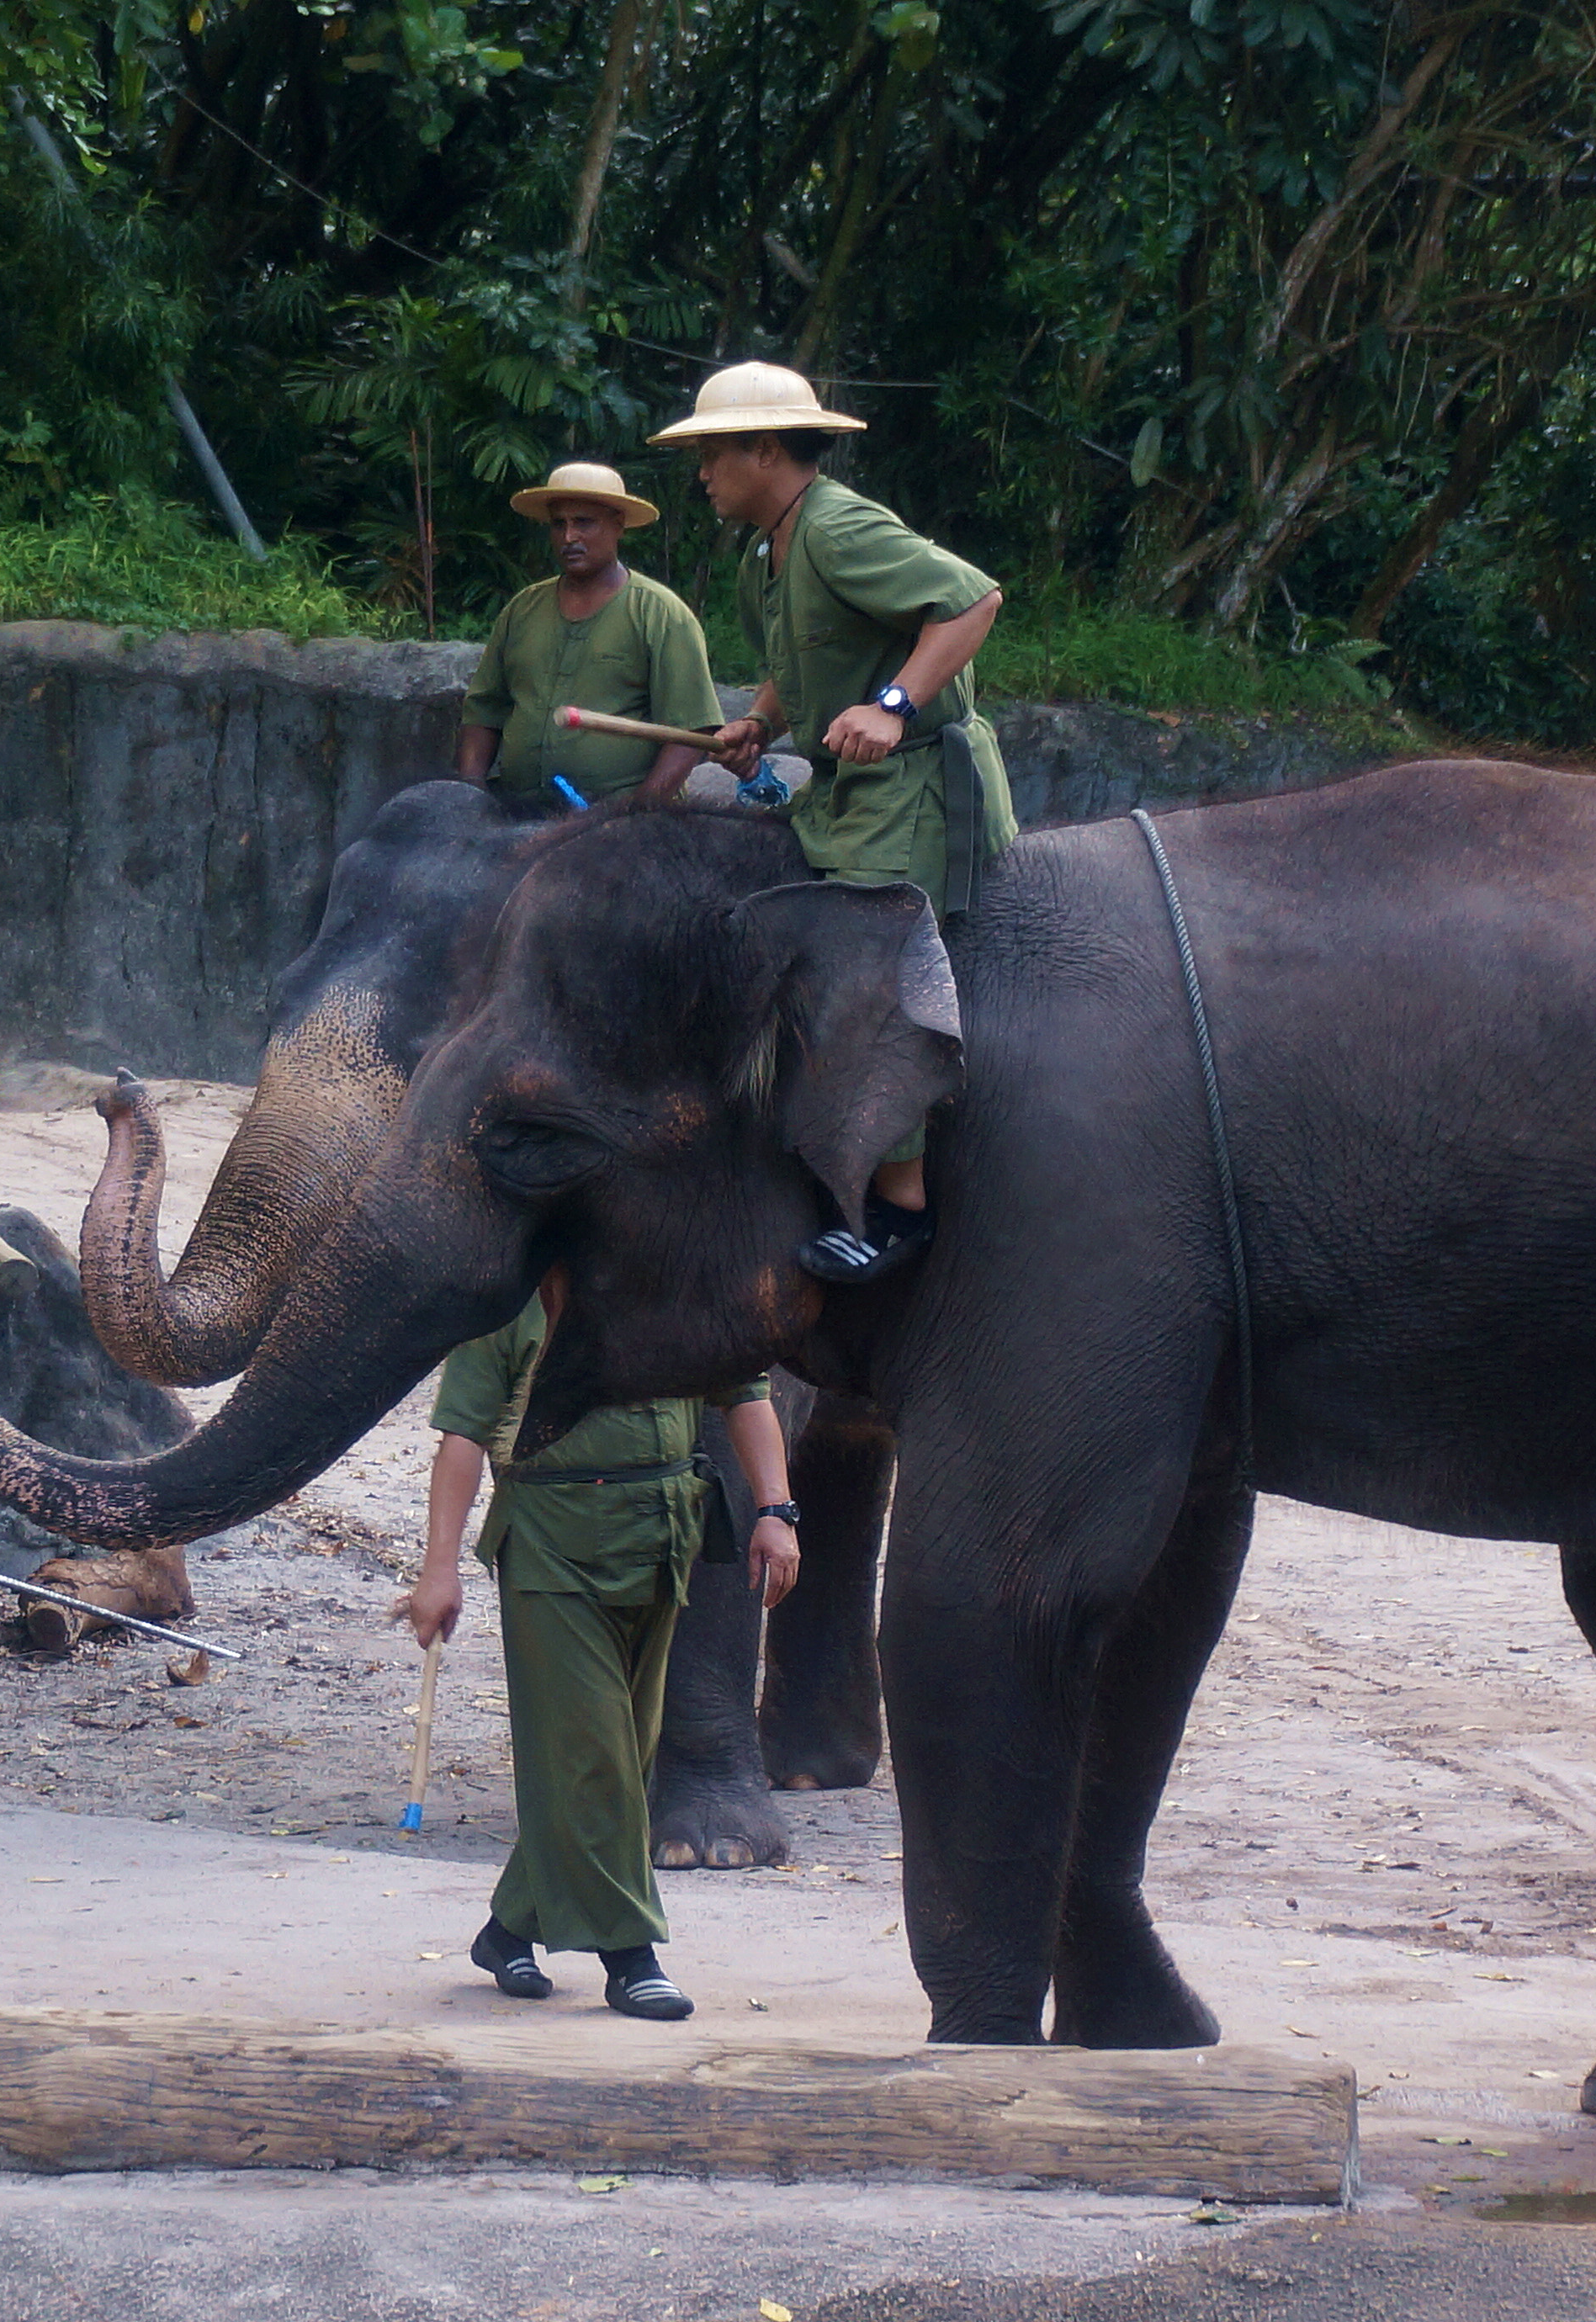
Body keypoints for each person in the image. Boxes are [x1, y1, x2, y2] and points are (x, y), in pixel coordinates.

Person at [650, 363, 1015, 1283]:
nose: (701, 475)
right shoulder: (766, 550)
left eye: (712, 455)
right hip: (842, 795)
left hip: (915, 791)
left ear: (766, 452)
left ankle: (900, 1207)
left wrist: (893, 703)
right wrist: (761, 723)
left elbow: (974, 598)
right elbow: (801, 657)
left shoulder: (840, 526)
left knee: (867, 970)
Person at [392, 1272, 800, 2018]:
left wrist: (776, 1509)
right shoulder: (509, 1299)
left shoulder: (680, 1278)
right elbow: (463, 1439)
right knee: (592, 1756)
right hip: (552, 1547)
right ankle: (630, 1955)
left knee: (624, 1752)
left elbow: (746, 1395)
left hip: (661, 1541)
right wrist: (439, 1569)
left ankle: (509, 1928)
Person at [454, 461, 721, 817]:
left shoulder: (660, 613)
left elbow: (691, 729)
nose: (569, 537)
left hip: (617, 818)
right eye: (558, 524)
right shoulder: (523, 609)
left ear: (618, 524)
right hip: (518, 811)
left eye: (584, 522)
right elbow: (484, 708)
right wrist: (471, 791)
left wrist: (638, 812)